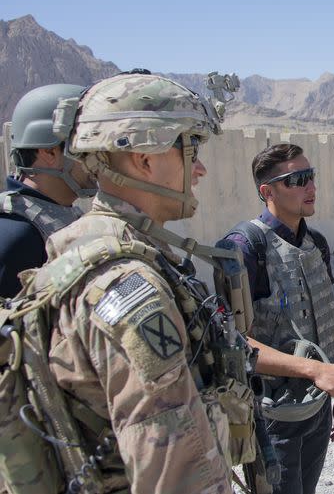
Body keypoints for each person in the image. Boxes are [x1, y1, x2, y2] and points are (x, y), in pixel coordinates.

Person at [1, 72, 249, 493]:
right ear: (144, 158)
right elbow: (175, 471)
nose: (202, 168)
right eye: (190, 149)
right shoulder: (129, 286)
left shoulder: (81, 242)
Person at [223, 143, 334, 494]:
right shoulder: (245, 247)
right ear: (267, 192)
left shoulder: (317, 243)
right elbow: (233, 343)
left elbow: (327, 319)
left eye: (310, 176)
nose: (310, 187)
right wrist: (315, 370)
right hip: (272, 417)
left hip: (316, 407)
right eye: (296, 179)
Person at [0, 84, 96, 298]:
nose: (98, 159)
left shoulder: (65, 215)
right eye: (86, 149)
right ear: (49, 152)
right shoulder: (16, 235)